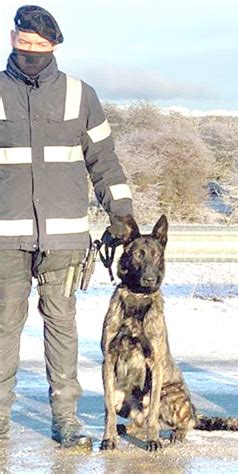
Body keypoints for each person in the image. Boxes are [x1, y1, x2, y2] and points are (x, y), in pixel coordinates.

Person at [0, 6, 133, 448]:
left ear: (55, 45)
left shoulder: (81, 94)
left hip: (64, 241)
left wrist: (121, 213)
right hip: (5, 240)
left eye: (40, 46)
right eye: (24, 45)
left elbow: (104, 162)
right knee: (3, 330)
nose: (31, 53)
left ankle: (67, 420)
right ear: (13, 40)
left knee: (62, 329)